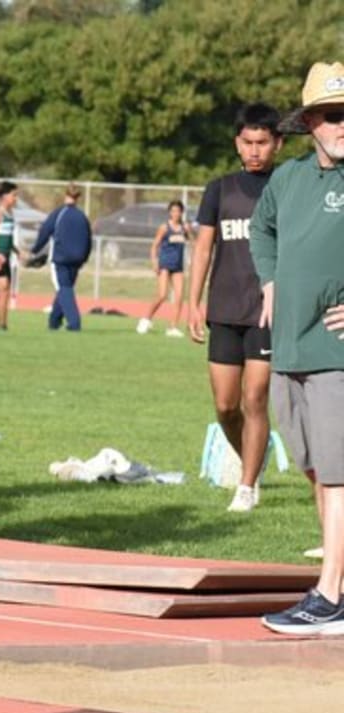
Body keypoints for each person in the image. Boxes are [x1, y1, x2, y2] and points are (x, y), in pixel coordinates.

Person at [252, 62, 344, 635]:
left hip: (337, 352)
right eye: (334, 117)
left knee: (339, 477)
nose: (343, 126)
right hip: (289, 349)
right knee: (316, 470)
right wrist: (270, 280)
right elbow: (264, 231)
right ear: (311, 121)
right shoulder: (287, 180)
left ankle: (330, 594)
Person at [188, 103, 283, 513]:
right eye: (248, 142)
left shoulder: (288, 186)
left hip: (267, 311)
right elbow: (204, 247)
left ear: (278, 143)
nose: (255, 150)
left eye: (263, 142)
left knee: (255, 398)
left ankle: (246, 487)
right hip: (224, 309)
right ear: (237, 143)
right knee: (226, 406)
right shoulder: (219, 189)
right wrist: (192, 303)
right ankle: (252, 461)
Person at [30, 182, 91, 331]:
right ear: (78, 197)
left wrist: (35, 249)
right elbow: (88, 239)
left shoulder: (60, 213)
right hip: (77, 259)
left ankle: (74, 323)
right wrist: (84, 257)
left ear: (65, 195)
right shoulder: (82, 216)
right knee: (65, 288)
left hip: (61, 259)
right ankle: (54, 322)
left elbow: (45, 230)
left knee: (63, 288)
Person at [137, 200, 193, 337]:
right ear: (169, 212)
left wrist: (189, 231)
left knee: (179, 296)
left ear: (181, 213)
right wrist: (154, 262)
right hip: (165, 264)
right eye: (173, 211)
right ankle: (146, 319)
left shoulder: (184, 228)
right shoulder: (164, 227)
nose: (175, 214)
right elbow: (155, 245)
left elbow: (193, 242)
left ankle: (172, 327)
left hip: (178, 266)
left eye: (178, 211)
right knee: (162, 295)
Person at [0, 180, 21, 331]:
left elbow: (8, 237)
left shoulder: (10, 213)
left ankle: (0, 323)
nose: (16, 198)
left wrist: (16, 251)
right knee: (3, 287)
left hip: (7, 256)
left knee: (5, 293)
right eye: (14, 195)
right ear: (5, 196)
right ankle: (1, 325)